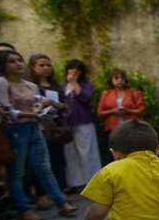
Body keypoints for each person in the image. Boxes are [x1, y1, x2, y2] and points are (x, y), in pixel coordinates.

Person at [0, 50, 78, 220]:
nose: (18, 64)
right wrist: (29, 115)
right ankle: (23, 209)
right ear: (3, 65)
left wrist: (43, 107)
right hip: (14, 130)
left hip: (35, 128)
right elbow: (4, 109)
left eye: (19, 60)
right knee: (17, 171)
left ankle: (61, 203)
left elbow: (37, 105)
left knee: (44, 167)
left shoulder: (30, 85)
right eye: (12, 61)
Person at [27, 53, 70, 209]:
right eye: (41, 65)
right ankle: (41, 194)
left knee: (57, 160)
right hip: (38, 127)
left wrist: (58, 105)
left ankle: (60, 191)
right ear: (33, 67)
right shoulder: (29, 87)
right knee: (40, 162)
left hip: (55, 127)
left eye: (48, 65)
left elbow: (66, 107)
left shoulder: (57, 87)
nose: (46, 68)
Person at [60, 59, 102, 191]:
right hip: (67, 123)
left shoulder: (86, 85)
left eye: (77, 69)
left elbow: (86, 98)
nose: (74, 71)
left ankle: (92, 181)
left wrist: (74, 83)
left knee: (87, 152)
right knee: (70, 153)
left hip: (84, 122)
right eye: (71, 68)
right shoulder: (61, 86)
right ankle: (75, 182)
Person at [97, 68, 145, 157]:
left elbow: (141, 110)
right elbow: (100, 112)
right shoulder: (106, 94)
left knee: (132, 152)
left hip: (131, 128)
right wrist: (113, 111)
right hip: (113, 128)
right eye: (116, 78)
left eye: (122, 78)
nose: (120, 80)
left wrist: (128, 111)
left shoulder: (134, 93)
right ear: (111, 80)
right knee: (114, 153)